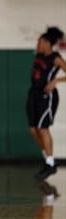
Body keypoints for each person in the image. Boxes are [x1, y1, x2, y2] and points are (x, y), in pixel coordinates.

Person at [27, 27, 66, 180]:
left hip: (46, 97)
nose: (38, 44)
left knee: (43, 129)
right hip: (34, 95)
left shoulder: (55, 57)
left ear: (48, 43)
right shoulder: (39, 55)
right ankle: (48, 160)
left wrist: (56, 81)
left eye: (41, 41)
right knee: (33, 130)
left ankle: (50, 164)